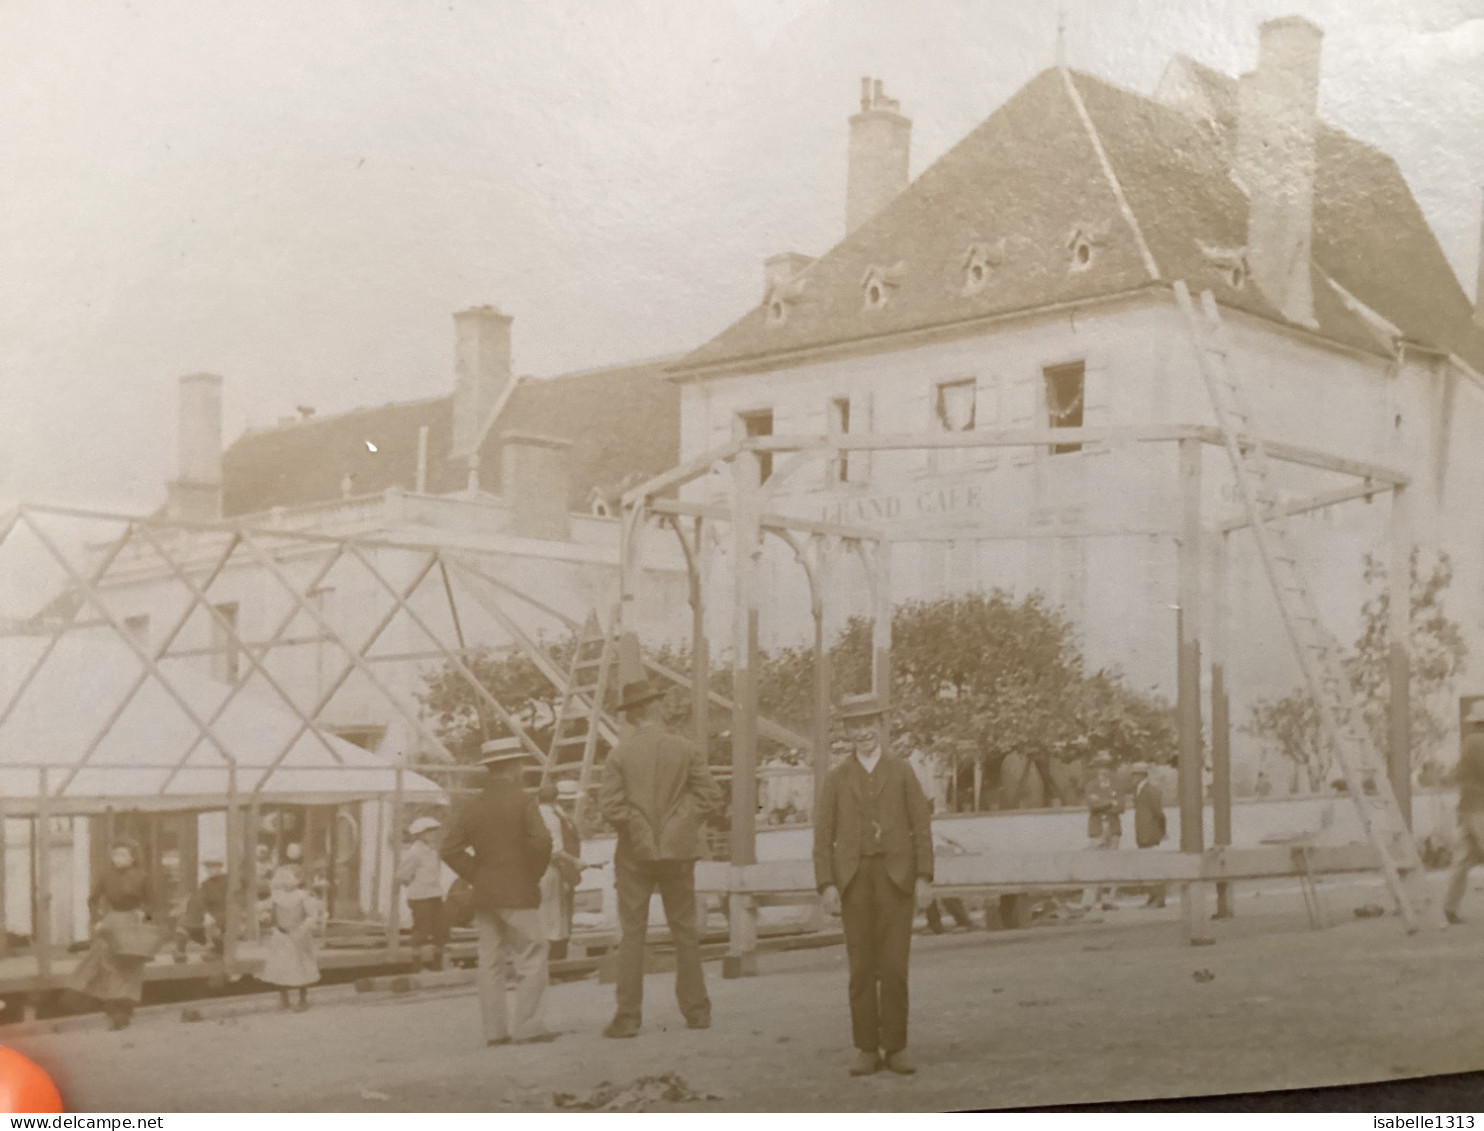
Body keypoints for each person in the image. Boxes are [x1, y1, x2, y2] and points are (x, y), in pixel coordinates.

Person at [813, 696, 935, 1077]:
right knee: (862, 967)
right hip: (854, 882)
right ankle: (867, 1047)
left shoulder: (902, 771)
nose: (862, 732)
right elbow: (822, 837)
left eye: (869, 723)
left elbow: (921, 829)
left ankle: (896, 1047)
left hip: (895, 880)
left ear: (881, 725)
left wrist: (923, 877)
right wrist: (827, 884)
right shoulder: (836, 778)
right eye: (854, 726)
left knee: (895, 967)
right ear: (846, 732)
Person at [597, 678, 722, 1039]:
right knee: (684, 930)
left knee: (633, 933)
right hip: (678, 854)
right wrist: (678, 828)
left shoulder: (618, 755)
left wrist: (640, 830)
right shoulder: (685, 749)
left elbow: (610, 806)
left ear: (632, 716)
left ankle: (628, 1017)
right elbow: (710, 797)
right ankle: (697, 1012)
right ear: (656, 708)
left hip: (634, 854)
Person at [441, 736, 556, 1046]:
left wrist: (476, 873)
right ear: (515, 767)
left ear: (489, 768)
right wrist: (532, 872)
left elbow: (449, 849)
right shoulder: (523, 800)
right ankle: (529, 1026)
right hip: (517, 890)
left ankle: (495, 1032)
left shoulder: (471, 805)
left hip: (484, 892)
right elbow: (542, 842)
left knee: (490, 961)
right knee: (531, 953)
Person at [72, 838, 157, 1030]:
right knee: (108, 965)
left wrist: (144, 914)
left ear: (133, 858)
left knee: (131, 966)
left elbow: (152, 903)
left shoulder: (143, 876)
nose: (117, 858)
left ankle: (125, 1010)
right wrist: (98, 920)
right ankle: (113, 1010)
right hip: (112, 922)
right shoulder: (106, 876)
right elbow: (92, 900)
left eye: (122, 855)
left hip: (133, 923)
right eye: (115, 854)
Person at [258, 865, 324, 1011]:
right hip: (281, 935)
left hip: (298, 935)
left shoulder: (303, 896)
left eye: (290, 877)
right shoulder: (276, 896)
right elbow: (264, 908)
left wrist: (303, 929)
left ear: (298, 880)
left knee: (300, 967)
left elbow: (312, 915)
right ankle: (284, 999)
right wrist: (263, 915)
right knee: (280, 967)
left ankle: (302, 999)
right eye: (283, 877)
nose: (286, 881)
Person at [1443, 701, 1484, 924]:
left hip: (1467, 807)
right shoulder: (1478, 742)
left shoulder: (1470, 742)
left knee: (1462, 860)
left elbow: (1458, 774)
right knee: (1463, 859)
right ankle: (1449, 907)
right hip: (1479, 809)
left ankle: (1449, 907)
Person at [537, 781, 583, 962]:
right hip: (553, 869)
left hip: (560, 868)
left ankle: (558, 961)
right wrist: (574, 862)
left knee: (559, 916)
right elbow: (555, 851)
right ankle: (555, 963)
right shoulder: (550, 816)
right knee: (555, 917)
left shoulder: (559, 815)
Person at [398, 816, 447, 971]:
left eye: (433, 831)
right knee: (422, 930)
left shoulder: (432, 850)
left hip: (435, 894)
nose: (433, 834)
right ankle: (416, 963)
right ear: (420, 834)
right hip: (420, 897)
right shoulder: (415, 852)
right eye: (429, 832)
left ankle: (437, 963)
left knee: (441, 929)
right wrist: (414, 885)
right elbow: (402, 875)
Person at [1082, 749, 1122, 911]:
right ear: (1095, 769)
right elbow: (1093, 805)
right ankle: (1088, 901)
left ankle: (1108, 901)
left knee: (1111, 865)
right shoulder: (1091, 786)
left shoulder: (1116, 785)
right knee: (1093, 865)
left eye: (1106, 767)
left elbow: (1120, 807)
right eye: (1100, 767)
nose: (1103, 770)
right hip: (1097, 830)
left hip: (1113, 829)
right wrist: (1109, 803)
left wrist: (1104, 803)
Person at [1129, 763, 1168, 908]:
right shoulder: (1139, 790)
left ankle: (1158, 898)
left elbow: (1159, 813)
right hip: (1143, 834)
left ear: (1141, 775)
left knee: (1154, 866)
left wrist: (1161, 831)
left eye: (1134, 774)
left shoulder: (1151, 790)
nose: (1132, 778)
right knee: (1147, 866)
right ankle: (1153, 897)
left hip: (1150, 833)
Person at [174, 858, 229, 961]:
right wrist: (205, 914)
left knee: (217, 924)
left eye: (214, 867)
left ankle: (218, 951)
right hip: (210, 917)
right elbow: (200, 901)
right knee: (184, 922)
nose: (210, 870)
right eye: (208, 867)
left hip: (225, 917)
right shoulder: (206, 884)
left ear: (220, 868)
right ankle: (180, 951)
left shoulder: (228, 881)